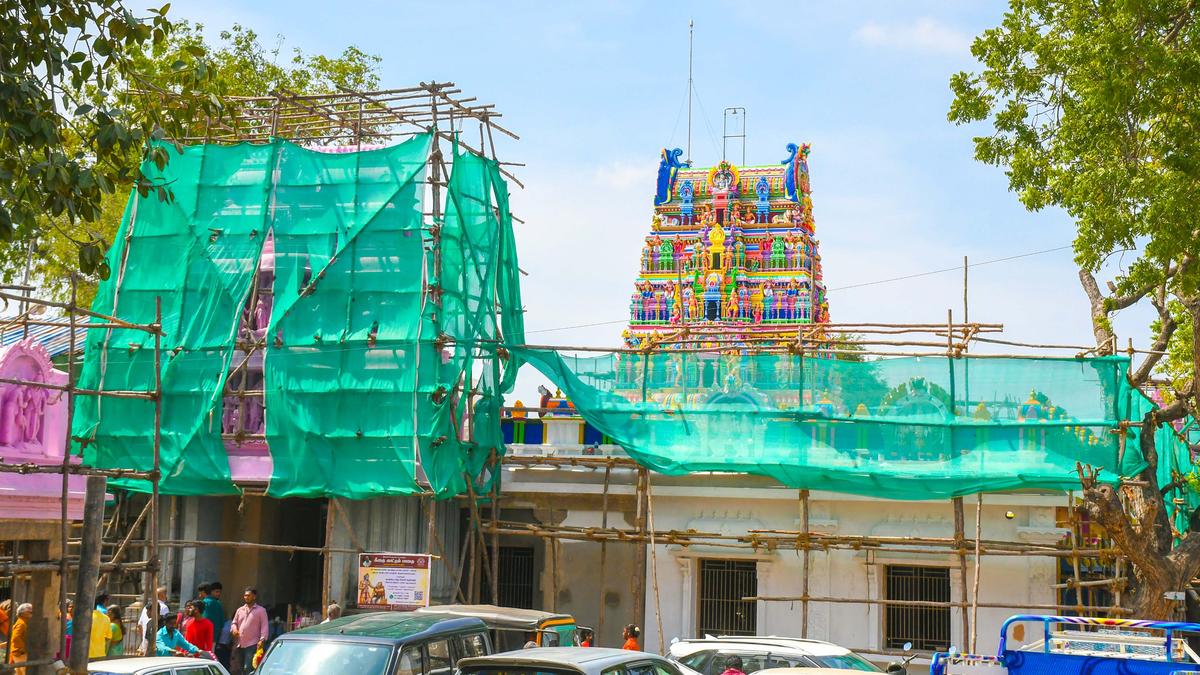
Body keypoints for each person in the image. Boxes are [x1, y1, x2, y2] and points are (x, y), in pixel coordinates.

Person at [230, 587, 268, 675]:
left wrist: (262, 639)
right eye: (245, 595)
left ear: (254, 597)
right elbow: (233, 623)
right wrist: (234, 629)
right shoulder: (240, 610)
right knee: (240, 668)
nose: (246, 597)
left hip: (253, 644)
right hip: (240, 644)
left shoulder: (261, 610)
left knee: (248, 668)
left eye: (248, 595)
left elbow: (264, 626)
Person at [137, 586, 170, 655]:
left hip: (147, 646)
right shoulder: (163, 607)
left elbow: (139, 626)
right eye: (165, 594)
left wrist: (142, 642)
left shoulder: (146, 607)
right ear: (162, 595)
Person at [8, 603, 31, 675]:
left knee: (19, 673)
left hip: (18, 653)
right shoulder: (21, 623)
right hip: (20, 653)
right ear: (23, 613)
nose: (31, 614)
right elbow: (15, 638)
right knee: (24, 672)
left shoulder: (23, 622)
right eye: (30, 612)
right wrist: (23, 649)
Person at [89, 593, 112, 658]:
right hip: (100, 655)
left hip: (85, 657)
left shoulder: (84, 618)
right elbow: (108, 638)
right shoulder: (106, 618)